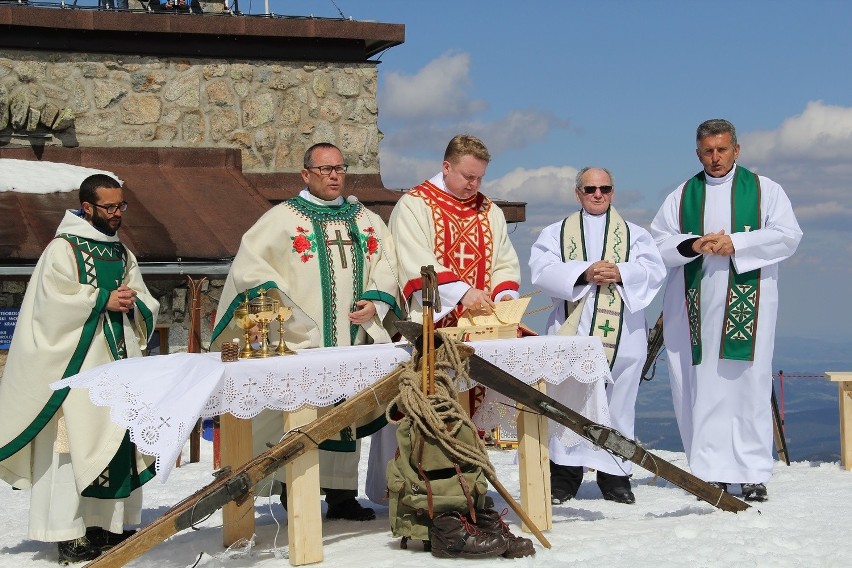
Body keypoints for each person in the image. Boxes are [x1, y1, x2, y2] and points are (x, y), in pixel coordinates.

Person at [211, 142, 402, 521]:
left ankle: (342, 496)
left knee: (345, 415)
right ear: (306, 174)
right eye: (325, 169)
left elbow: (387, 263)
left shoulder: (364, 219)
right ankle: (291, 489)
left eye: (340, 168)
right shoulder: (281, 219)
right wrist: (279, 308)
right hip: (303, 342)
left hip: (352, 339)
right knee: (301, 415)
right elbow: (250, 268)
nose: (334, 176)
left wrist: (375, 302)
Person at [0, 174, 160, 564]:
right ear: (87, 207)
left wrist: (132, 303)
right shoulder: (62, 249)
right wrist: (102, 298)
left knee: (116, 444)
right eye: (109, 207)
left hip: (117, 368)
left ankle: (109, 526)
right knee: (70, 449)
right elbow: (49, 304)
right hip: (77, 371)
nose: (117, 214)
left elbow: (144, 299)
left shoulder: (121, 252)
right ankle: (67, 532)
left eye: (121, 206)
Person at [650, 119, 802, 502]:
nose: (715, 158)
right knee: (701, 386)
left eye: (722, 150)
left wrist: (736, 243)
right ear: (697, 152)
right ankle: (708, 471)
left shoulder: (766, 190)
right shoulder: (683, 194)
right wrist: (694, 245)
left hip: (748, 306)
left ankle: (752, 472)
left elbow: (788, 236)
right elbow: (657, 244)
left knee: (748, 383)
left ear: (737, 149)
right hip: (694, 310)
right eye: (707, 151)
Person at [529, 167, 666, 504]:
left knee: (619, 407)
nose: (597, 194)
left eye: (604, 188)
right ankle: (563, 476)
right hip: (572, 333)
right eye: (590, 188)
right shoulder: (556, 233)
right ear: (578, 193)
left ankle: (616, 476)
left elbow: (654, 270)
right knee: (569, 403)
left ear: (613, 192)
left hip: (624, 337)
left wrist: (622, 271)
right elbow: (541, 270)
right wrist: (583, 272)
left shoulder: (635, 235)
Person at [388, 134, 521, 325]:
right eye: (468, 177)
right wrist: (461, 293)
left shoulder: (490, 211)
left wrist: (504, 295)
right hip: (429, 329)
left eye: (479, 178)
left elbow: (504, 262)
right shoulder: (415, 205)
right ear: (446, 167)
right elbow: (414, 261)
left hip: (482, 327)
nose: (474, 184)